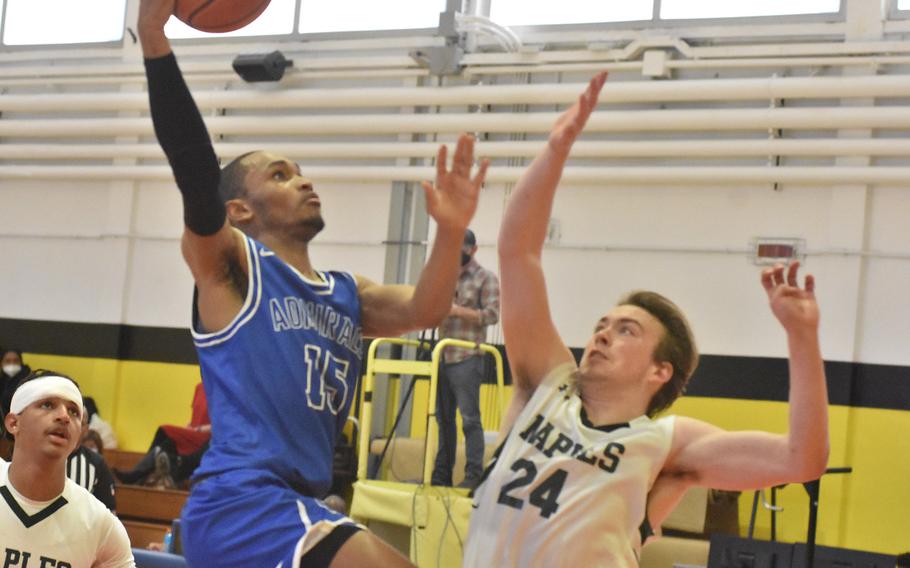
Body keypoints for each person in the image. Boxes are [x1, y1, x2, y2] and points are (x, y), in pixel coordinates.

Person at [137, 1, 486, 566]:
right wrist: (154, 38)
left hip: (297, 503)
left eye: (299, 171)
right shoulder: (233, 268)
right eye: (279, 175)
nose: (303, 181)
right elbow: (195, 171)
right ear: (239, 211)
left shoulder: (349, 293)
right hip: (242, 503)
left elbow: (426, 307)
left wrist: (448, 231)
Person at [462, 73, 829, 566]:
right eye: (602, 324)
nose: (602, 333)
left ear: (660, 371)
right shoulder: (546, 387)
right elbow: (518, 252)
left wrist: (802, 338)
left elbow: (801, 459)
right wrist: (555, 150)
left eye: (626, 329)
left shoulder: (663, 444)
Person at [1, 369, 134, 566]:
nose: (64, 416)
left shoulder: (99, 524)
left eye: (73, 411)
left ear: (79, 436)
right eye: (47, 405)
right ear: (13, 423)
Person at [431, 228, 500, 489]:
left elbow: (492, 315)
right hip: (442, 356)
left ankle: (473, 476)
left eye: (462, 249)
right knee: (442, 419)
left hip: (468, 356)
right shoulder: (444, 277)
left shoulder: (486, 278)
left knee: (470, 419)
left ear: (473, 250)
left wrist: (457, 310)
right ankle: (441, 476)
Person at [114, 381, 210, 488]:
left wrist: (199, 429)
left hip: (206, 436)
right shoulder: (199, 387)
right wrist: (188, 428)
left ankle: (137, 475)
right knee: (166, 443)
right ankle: (137, 475)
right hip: (193, 432)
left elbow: (223, 424)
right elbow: (194, 417)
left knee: (164, 430)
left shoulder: (222, 389)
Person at [67, 404, 117, 511]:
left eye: (80, 422)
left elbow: (108, 511)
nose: (73, 425)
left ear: (86, 429)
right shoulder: (41, 455)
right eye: (70, 418)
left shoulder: (97, 463)